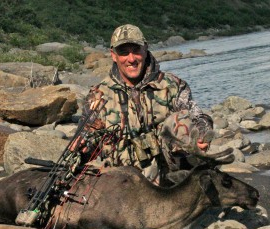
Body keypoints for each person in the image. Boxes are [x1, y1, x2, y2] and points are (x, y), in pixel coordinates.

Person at [76, 24, 213, 186]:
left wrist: (203, 133)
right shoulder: (97, 96)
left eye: (136, 50)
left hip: (171, 180)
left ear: (146, 49)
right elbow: (87, 142)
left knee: (182, 121)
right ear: (113, 55)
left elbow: (200, 118)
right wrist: (81, 148)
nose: (131, 58)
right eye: (124, 52)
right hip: (122, 185)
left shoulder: (173, 86)